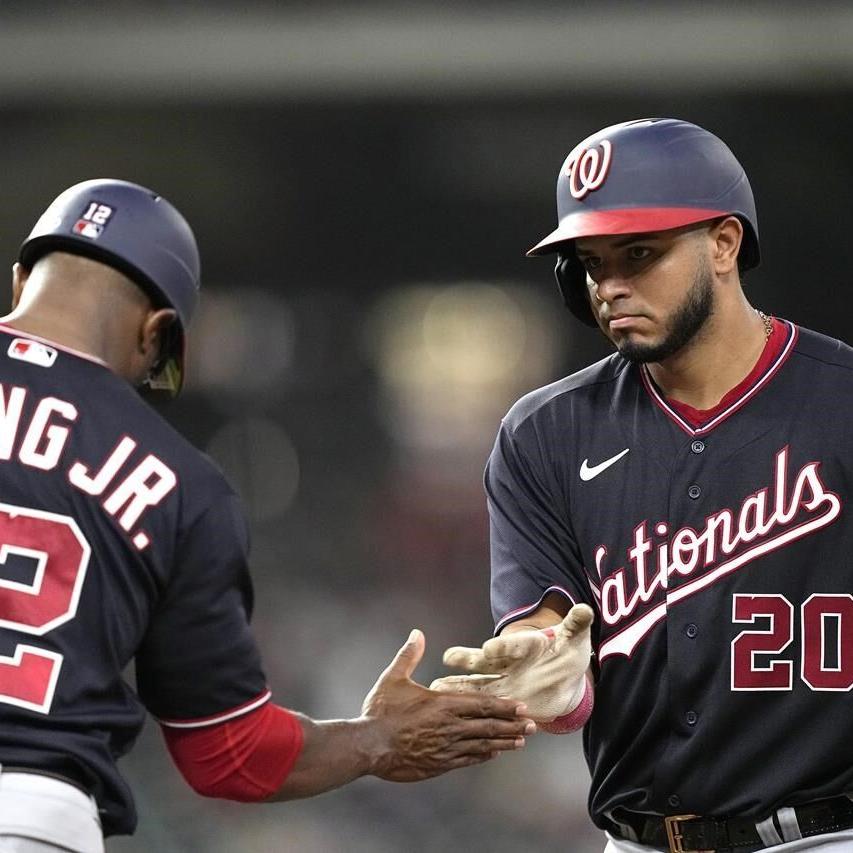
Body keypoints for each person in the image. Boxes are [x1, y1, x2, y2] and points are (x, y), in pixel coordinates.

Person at [0, 179, 535, 853]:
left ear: (21, 279)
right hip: (33, 813)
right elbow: (228, 753)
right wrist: (374, 738)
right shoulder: (179, 483)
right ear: (157, 330)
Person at [430, 118, 853, 852]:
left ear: (723, 244)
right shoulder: (546, 434)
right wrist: (546, 674)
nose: (611, 285)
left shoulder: (840, 400)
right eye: (591, 263)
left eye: (639, 252)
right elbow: (546, 635)